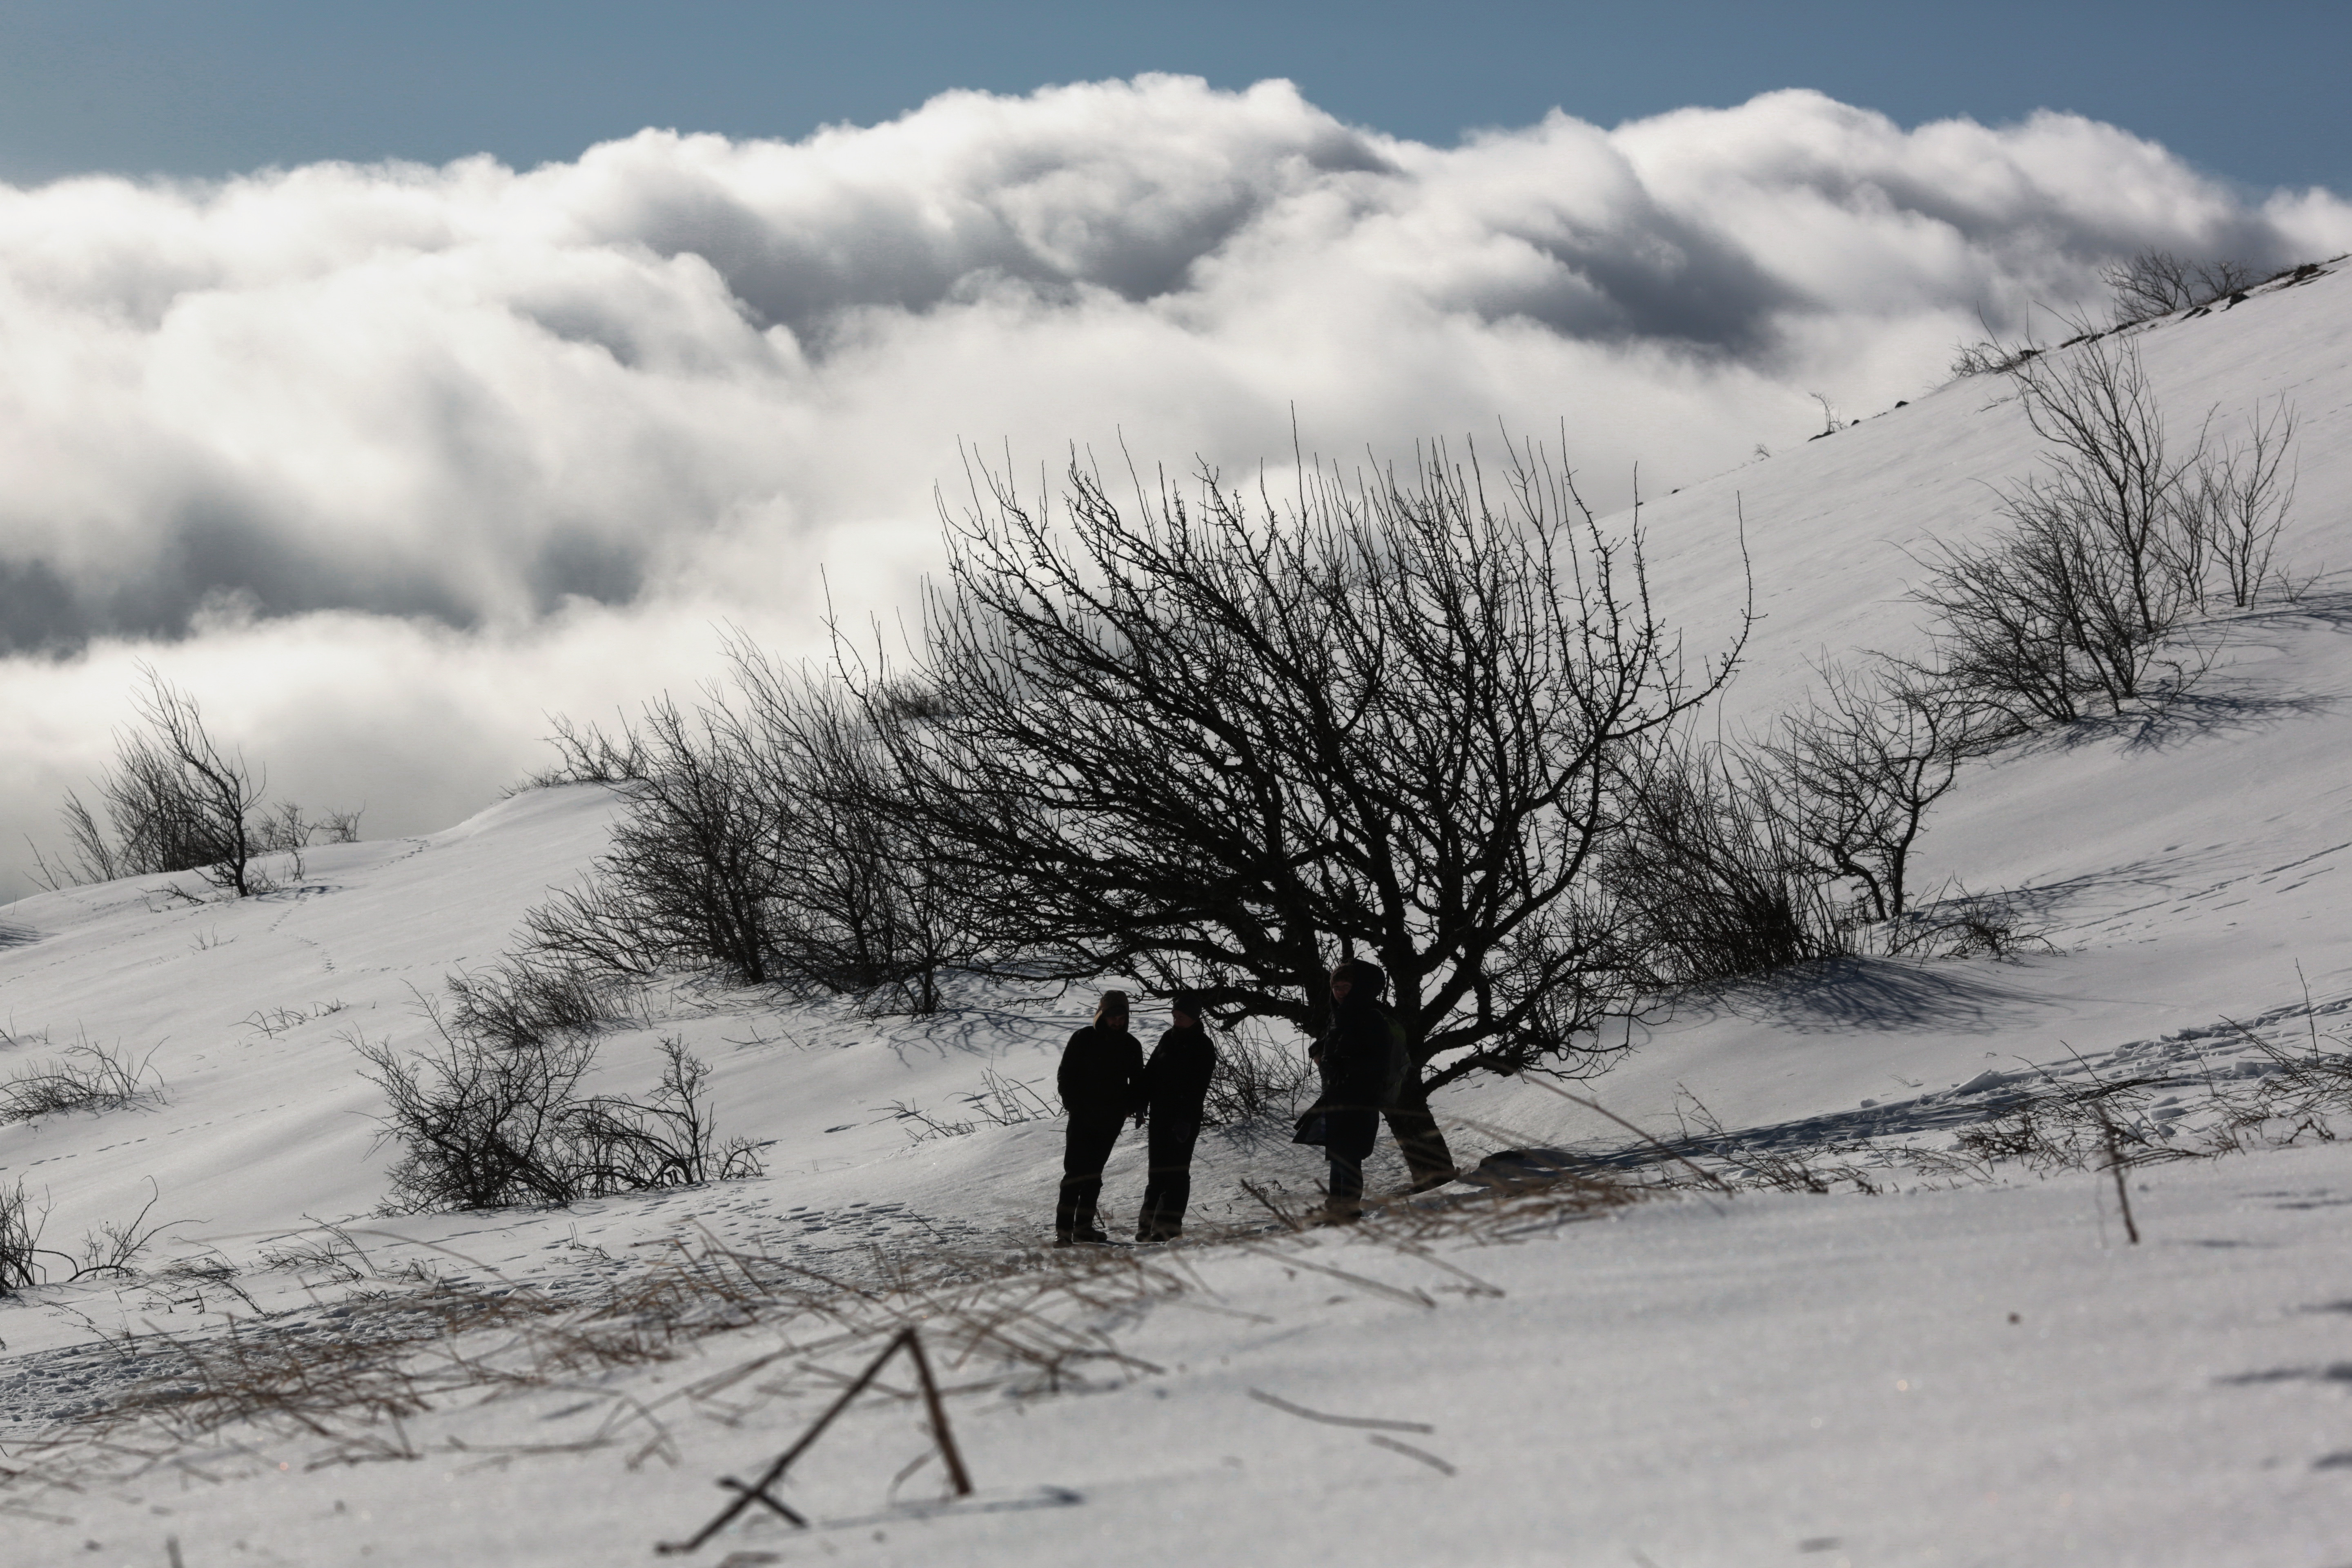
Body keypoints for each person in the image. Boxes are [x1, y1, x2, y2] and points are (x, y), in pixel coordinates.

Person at [1299, 958, 1403, 1224]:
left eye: (1346, 986)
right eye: (1336, 987)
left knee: (1349, 1159)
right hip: (1338, 1098)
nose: (1340, 992)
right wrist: (1322, 1052)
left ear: (1360, 988)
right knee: (1338, 1158)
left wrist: (1342, 1068)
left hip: (1360, 1100)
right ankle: (1336, 1211)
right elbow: (1340, 1049)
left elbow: (1376, 1062)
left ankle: (1348, 1214)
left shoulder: (1369, 1018)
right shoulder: (1340, 1017)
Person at [1054, 989, 1144, 1245]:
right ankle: (1063, 1233)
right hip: (1082, 1117)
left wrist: (1136, 1106)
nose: (1118, 1021)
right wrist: (1073, 1105)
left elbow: (1137, 1082)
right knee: (1074, 1175)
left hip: (1111, 1119)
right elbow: (1066, 1075)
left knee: (1094, 1175)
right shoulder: (1083, 1038)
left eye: (1123, 1017)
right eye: (1113, 1016)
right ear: (1102, 1015)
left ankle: (1083, 1229)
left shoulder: (1131, 1045)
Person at [1136, 991, 1217, 1242]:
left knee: (1177, 1173)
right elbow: (1151, 1073)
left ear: (1194, 1018)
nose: (1176, 1020)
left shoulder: (1203, 1046)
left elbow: (1198, 1087)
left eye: (1181, 1017)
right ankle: (1147, 1226)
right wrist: (1141, 1102)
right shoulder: (1167, 1038)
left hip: (1184, 1118)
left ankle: (1167, 1228)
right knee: (1157, 1172)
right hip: (1160, 1115)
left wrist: (1185, 1118)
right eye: (1174, 1016)